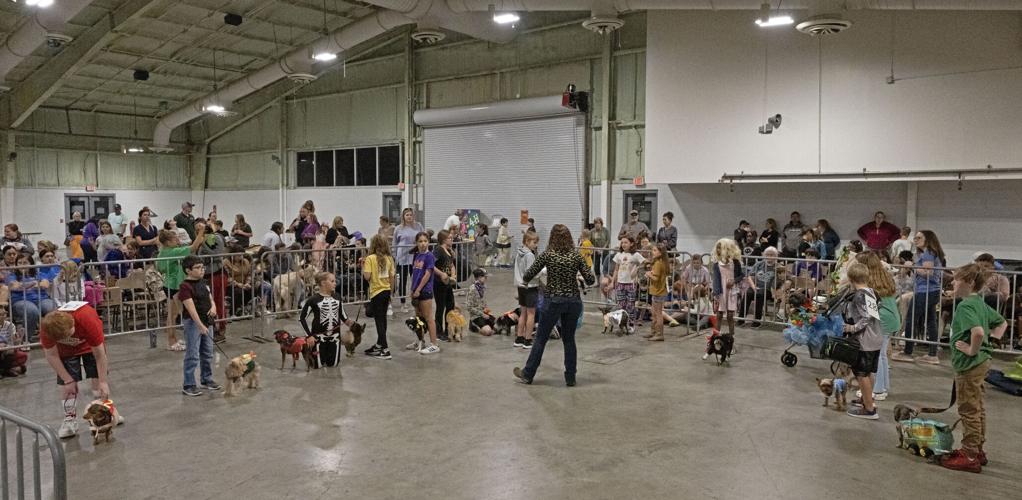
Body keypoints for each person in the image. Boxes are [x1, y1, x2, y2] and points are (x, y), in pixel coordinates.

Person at [939, 263, 1008, 473]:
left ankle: (969, 454)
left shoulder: (966, 305)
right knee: (978, 407)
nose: (953, 281)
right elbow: (1002, 323)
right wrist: (993, 340)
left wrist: (971, 350)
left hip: (970, 364)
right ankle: (978, 449)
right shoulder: (979, 302)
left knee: (968, 409)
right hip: (982, 363)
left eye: (957, 279)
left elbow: (977, 332)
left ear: (968, 282)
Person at [512, 224, 595, 386]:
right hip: (573, 301)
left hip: (553, 301)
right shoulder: (576, 256)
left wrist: (530, 280)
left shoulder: (547, 255)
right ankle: (570, 378)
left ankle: (528, 374)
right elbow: (591, 279)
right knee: (569, 340)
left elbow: (529, 274)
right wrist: (577, 274)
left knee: (541, 338)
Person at [39, 305, 121, 438]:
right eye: (62, 338)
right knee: (66, 387)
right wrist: (67, 379)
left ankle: (106, 413)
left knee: (97, 383)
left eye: (68, 334)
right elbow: (51, 355)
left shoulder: (86, 318)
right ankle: (70, 419)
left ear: (72, 323)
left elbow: (100, 355)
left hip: (90, 346)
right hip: (65, 352)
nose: (67, 339)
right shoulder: (47, 329)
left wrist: (103, 381)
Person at [892, 230, 946, 365]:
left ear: (928, 239)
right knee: (931, 321)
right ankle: (932, 354)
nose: (915, 240)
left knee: (911, 319)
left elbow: (928, 273)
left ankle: (908, 352)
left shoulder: (928, 253)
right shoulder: (931, 253)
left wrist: (912, 266)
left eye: (919, 237)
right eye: (915, 237)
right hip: (931, 290)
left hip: (925, 291)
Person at [843, 263, 884, 420]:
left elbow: (866, 318)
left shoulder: (859, 295)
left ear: (851, 278)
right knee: (867, 372)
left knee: (861, 373)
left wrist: (852, 328)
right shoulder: (872, 292)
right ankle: (867, 400)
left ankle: (869, 409)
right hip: (876, 337)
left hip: (865, 339)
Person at [857, 251, 900, 401]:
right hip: (891, 318)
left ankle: (877, 389)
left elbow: (871, 311)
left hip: (882, 320)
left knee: (877, 355)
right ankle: (882, 387)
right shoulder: (884, 277)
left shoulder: (869, 284)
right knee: (881, 355)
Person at [177, 255, 222, 397]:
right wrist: (200, 325)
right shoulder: (185, 287)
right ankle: (189, 384)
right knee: (193, 354)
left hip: (207, 321)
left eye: (202, 267)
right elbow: (190, 309)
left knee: (207, 352)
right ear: (188, 270)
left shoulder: (204, 282)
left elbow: (210, 299)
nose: (201, 270)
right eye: (197, 268)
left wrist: (214, 307)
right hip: (193, 323)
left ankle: (206, 378)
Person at [706, 238, 754, 360]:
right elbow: (716, 280)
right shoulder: (717, 264)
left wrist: (734, 281)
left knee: (731, 316)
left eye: (720, 247)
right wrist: (715, 294)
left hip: (732, 292)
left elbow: (741, 275)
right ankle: (714, 340)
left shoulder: (735, 263)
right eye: (717, 247)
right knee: (719, 315)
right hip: (721, 293)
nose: (717, 250)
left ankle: (731, 342)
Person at [300, 272, 358, 367]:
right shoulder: (313, 300)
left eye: (335, 281)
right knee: (316, 365)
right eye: (332, 281)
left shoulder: (337, 297)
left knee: (333, 364)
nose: (335, 283)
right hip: (318, 338)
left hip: (335, 337)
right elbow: (302, 318)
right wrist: (309, 336)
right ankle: (308, 352)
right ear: (323, 283)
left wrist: (350, 323)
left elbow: (342, 315)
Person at [6, 254, 57, 342]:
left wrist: (23, 286)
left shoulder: (39, 273)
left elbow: (45, 284)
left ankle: (53, 337)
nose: (22, 265)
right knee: (32, 311)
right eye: (19, 263)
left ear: (31, 263)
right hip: (20, 300)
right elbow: (14, 286)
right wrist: (34, 283)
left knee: (52, 308)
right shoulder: (12, 275)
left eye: (25, 262)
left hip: (42, 299)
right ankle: (25, 339)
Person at [156, 230, 191, 351]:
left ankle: (173, 340)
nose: (177, 240)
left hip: (172, 284)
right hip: (173, 285)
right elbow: (193, 248)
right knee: (174, 314)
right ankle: (171, 342)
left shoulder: (163, 252)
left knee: (173, 314)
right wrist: (201, 232)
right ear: (167, 242)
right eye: (174, 239)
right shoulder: (171, 252)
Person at [193, 220, 228, 340]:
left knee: (218, 303)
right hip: (205, 276)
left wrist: (203, 243)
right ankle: (211, 328)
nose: (199, 231)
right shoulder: (198, 240)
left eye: (201, 228)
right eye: (197, 229)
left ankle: (220, 329)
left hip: (217, 274)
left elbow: (217, 254)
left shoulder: (215, 238)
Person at [362, 235, 395, 360]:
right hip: (386, 291)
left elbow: (367, 277)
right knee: (383, 320)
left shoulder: (370, 258)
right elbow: (392, 277)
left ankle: (385, 349)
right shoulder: (389, 258)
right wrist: (391, 292)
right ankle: (380, 344)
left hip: (376, 292)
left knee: (379, 321)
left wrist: (363, 267)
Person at [409, 232, 439, 354]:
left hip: (425, 290)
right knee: (418, 318)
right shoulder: (417, 255)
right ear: (417, 243)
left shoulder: (429, 256)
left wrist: (418, 289)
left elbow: (427, 274)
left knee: (428, 318)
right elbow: (415, 274)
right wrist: (412, 289)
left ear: (428, 242)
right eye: (420, 241)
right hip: (415, 291)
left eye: (425, 241)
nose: (423, 243)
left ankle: (434, 344)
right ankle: (420, 341)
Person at [612, 236, 645, 334]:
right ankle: (622, 324)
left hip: (630, 283)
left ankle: (631, 324)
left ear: (631, 243)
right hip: (620, 283)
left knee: (630, 306)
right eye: (622, 243)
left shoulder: (635, 255)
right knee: (621, 306)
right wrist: (613, 281)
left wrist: (637, 268)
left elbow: (644, 263)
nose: (623, 244)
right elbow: (616, 269)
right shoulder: (619, 255)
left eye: (626, 242)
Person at [392, 208, 423, 312]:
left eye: (411, 215)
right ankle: (403, 303)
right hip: (403, 257)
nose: (409, 217)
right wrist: (394, 256)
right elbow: (394, 243)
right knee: (403, 281)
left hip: (415, 256)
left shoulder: (418, 226)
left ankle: (416, 301)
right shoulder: (398, 228)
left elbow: (423, 238)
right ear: (403, 217)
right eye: (407, 215)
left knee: (417, 279)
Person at [513, 231, 540, 349]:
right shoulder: (529, 255)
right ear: (527, 241)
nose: (536, 245)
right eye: (534, 242)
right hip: (530, 287)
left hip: (521, 286)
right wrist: (542, 272)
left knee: (523, 313)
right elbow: (531, 273)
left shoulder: (519, 253)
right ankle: (528, 339)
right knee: (531, 314)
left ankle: (519, 337)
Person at [742, 247, 781, 327]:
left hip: (769, 290)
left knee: (760, 295)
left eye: (772, 255)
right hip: (756, 287)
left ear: (776, 256)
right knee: (748, 293)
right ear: (764, 255)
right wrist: (754, 287)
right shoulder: (759, 264)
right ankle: (741, 319)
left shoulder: (778, 267)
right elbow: (750, 276)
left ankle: (756, 321)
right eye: (767, 254)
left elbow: (782, 279)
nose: (769, 257)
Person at [432, 230, 457, 343]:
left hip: (447, 283)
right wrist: (442, 274)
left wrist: (453, 275)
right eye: (449, 238)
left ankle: (448, 328)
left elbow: (451, 265)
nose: (451, 240)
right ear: (443, 239)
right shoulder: (438, 250)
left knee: (450, 305)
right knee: (440, 307)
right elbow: (431, 265)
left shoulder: (449, 251)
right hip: (439, 283)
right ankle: (438, 331)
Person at [644, 243, 670, 341]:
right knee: (654, 313)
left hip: (658, 291)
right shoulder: (660, 262)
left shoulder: (658, 263)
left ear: (660, 252)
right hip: (657, 290)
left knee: (658, 313)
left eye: (655, 250)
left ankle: (659, 334)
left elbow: (656, 278)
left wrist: (648, 274)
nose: (652, 252)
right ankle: (653, 331)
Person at [465, 268, 496, 336]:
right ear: (479, 277)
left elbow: (483, 301)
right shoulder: (472, 289)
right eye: (485, 277)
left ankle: (486, 326)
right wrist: (482, 314)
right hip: (476, 316)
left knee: (498, 327)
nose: (486, 279)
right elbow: (469, 307)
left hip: (484, 314)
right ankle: (473, 325)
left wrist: (487, 311)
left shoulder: (483, 287)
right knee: (488, 332)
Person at [0, 306, 28, 377]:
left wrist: (19, 338)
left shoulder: (10, 325)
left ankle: (5, 370)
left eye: (4, 314)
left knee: (23, 356)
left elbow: (13, 343)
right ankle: (8, 369)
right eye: (0, 314)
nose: (3, 316)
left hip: (6, 350)